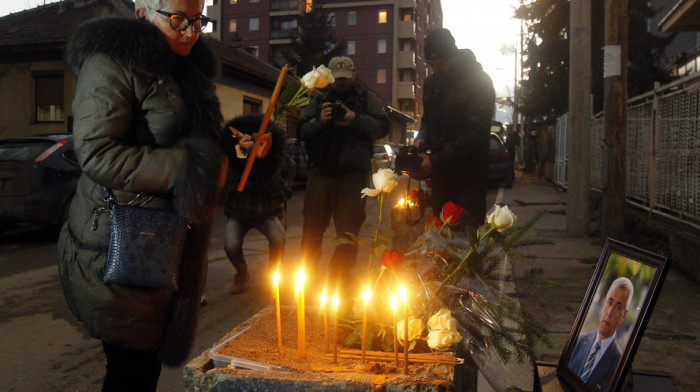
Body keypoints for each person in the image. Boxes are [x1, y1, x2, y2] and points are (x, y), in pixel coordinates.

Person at [58, 0, 227, 390]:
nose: (190, 31)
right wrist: (190, 169)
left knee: (141, 366)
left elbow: (193, 139)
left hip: (165, 240)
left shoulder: (186, 68)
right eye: (177, 19)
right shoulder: (112, 62)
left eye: (198, 19)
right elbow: (96, 151)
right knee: (130, 370)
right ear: (141, 13)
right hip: (122, 241)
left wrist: (238, 145)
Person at [298, 56, 390, 291]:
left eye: (344, 79)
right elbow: (302, 131)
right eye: (336, 79)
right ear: (330, 77)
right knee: (311, 229)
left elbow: (383, 126)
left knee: (348, 232)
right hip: (320, 173)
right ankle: (307, 276)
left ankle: (339, 277)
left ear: (353, 75)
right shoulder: (319, 100)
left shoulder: (366, 98)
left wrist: (355, 119)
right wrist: (320, 121)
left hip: (351, 177)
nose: (339, 83)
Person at [411, 29, 496, 227]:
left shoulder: (479, 81)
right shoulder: (432, 83)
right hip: (441, 176)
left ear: (453, 56)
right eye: (431, 65)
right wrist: (420, 139)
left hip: (469, 176)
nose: (436, 69)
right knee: (441, 239)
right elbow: (427, 120)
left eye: (441, 64)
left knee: (465, 241)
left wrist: (436, 160)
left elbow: (476, 132)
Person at [222, 114, 295, 294]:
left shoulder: (273, 158)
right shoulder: (234, 156)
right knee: (230, 244)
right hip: (239, 212)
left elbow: (289, 168)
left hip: (266, 211)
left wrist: (279, 193)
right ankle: (242, 272)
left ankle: (274, 272)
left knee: (278, 237)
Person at [567, 277, 634, 392]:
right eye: (610, 302)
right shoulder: (578, 341)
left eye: (618, 307)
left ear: (624, 315)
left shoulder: (618, 363)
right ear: (604, 302)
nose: (609, 312)